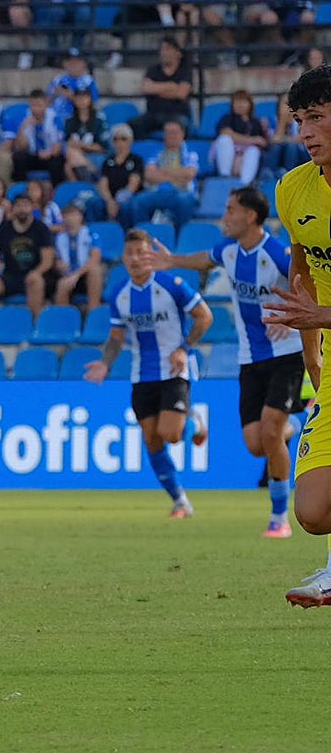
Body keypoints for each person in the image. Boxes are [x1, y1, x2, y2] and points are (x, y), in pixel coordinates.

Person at [151, 187, 302, 537]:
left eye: (231, 210)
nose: (224, 216)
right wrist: (173, 260)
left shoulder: (276, 253)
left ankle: (279, 517)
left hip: (287, 355)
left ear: (251, 216)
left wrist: (290, 315)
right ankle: (289, 425)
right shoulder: (231, 253)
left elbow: (306, 281)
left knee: (269, 431)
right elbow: (205, 258)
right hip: (250, 358)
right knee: (255, 443)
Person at [259, 64, 331, 606]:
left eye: (317, 119)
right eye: (300, 121)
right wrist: (309, 344)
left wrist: (321, 318)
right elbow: (303, 262)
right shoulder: (293, 189)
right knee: (312, 510)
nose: (305, 133)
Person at [84, 228, 213, 518]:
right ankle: (180, 500)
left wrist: (184, 347)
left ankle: (195, 422)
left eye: (141, 252)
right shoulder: (120, 294)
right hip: (141, 375)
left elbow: (205, 316)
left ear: (151, 256)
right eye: (130, 253)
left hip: (175, 370)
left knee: (171, 434)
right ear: (123, 258)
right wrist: (105, 363)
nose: (136, 259)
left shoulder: (172, 284)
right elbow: (117, 336)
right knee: (152, 439)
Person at [0, 192, 55, 321]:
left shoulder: (41, 228)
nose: (22, 209)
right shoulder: (5, 227)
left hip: (35, 275)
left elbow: (48, 261)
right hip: (11, 276)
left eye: (26, 205)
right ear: (13, 208)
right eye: (19, 206)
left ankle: (35, 325)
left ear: (32, 208)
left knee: (35, 281)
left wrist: (36, 273)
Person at [129, 118, 199, 232]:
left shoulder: (190, 153)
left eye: (174, 133)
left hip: (182, 192)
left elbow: (189, 174)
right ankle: (144, 237)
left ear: (182, 134)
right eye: (168, 133)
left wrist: (162, 170)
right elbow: (149, 174)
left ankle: (179, 238)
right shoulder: (157, 153)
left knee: (184, 201)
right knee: (138, 201)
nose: (171, 136)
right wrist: (177, 175)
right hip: (157, 192)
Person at [127, 36, 193, 139]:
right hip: (153, 114)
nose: (164, 52)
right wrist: (171, 86)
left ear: (178, 53)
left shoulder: (185, 71)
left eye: (168, 49)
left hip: (177, 114)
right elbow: (146, 88)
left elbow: (181, 94)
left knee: (180, 126)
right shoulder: (153, 70)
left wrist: (156, 89)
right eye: (162, 49)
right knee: (132, 126)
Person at [211, 89, 271, 186]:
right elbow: (225, 133)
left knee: (254, 150)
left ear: (250, 104)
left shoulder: (256, 122)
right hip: (229, 158)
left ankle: (245, 184)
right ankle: (225, 176)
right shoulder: (227, 118)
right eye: (237, 101)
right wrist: (252, 140)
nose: (240, 105)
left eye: (243, 101)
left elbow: (263, 142)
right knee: (224, 140)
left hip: (245, 160)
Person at [53, 201, 103, 312]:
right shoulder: (58, 238)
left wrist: (76, 275)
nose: (70, 219)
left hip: (84, 274)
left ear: (80, 217)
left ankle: (93, 312)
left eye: (74, 215)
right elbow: (55, 259)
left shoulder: (91, 234)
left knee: (95, 270)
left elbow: (95, 259)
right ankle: (64, 321)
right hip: (67, 275)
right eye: (67, 215)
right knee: (62, 285)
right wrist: (57, 264)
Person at [94, 122, 145, 227]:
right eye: (116, 139)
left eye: (123, 139)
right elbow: (103, 183)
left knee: (127, 206)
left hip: (129, 197)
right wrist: (109, 201)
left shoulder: (136, 160)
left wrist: (118, 201)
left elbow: (133, 183)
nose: (120, 142)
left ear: (130, 141)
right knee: (95, 204)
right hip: (110, 198)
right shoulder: (108, 161)